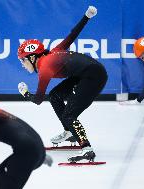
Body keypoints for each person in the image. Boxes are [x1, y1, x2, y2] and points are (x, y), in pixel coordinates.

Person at [17, 6, 108, 163]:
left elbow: (38, 99)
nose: (22, 65)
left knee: (69, 115)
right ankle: (69, 131)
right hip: (85, 74)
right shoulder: (53, 52)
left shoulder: (45, 68)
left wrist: (25, 93)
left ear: (32, 57)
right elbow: (72, 35)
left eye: (23, 60)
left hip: (93, 77)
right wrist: (86, 16)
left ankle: (87, 148)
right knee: (55, 96)